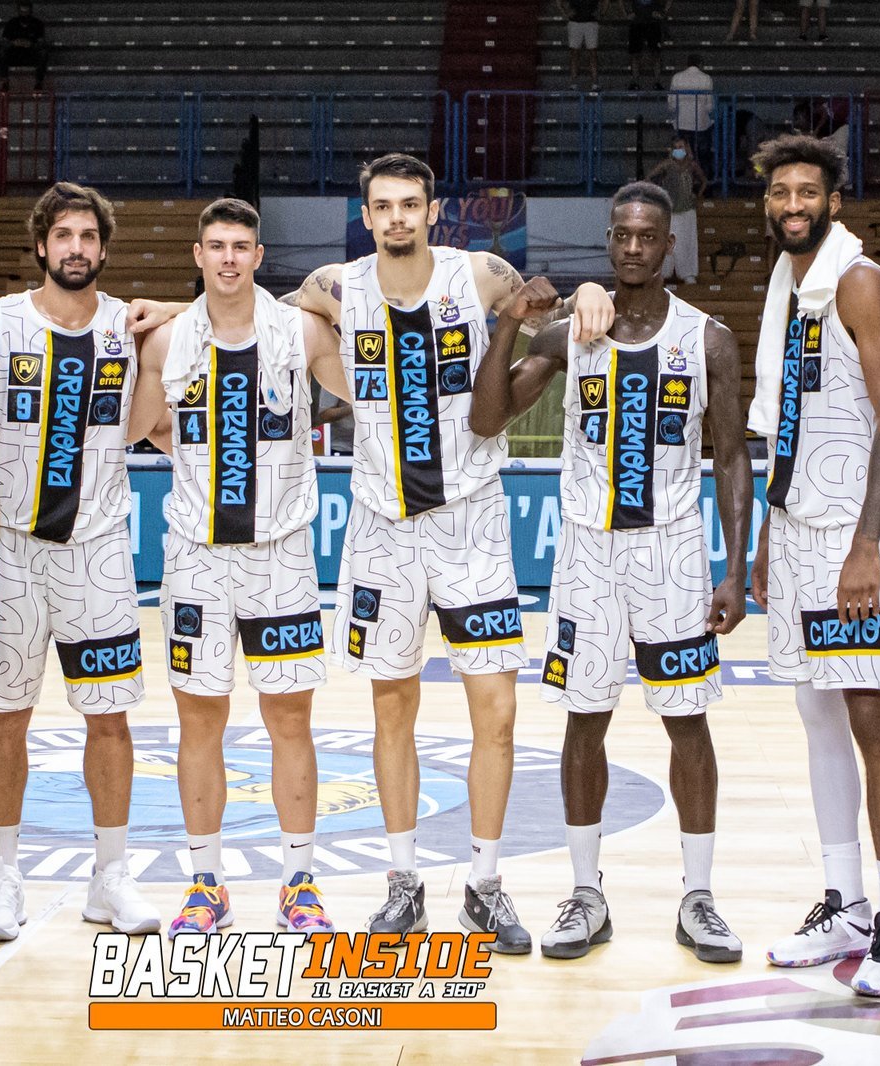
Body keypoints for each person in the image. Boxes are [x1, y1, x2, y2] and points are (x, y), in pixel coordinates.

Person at [289, 153, 615, 953]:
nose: (397, 217)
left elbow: (551, 311)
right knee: (390, 711)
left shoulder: (478, 275)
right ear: (365, 216)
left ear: (432, 212)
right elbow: (262, 317)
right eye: (383, 206)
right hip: (381, 527)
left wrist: (591, 290)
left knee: (496, 714)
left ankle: (484, 885)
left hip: (470, 521)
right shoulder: (335, 287)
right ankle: (402, 883)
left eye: (410, 204)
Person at [470, 182, 751, 966]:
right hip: (587, 555)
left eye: (646, 236)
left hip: (672, 553)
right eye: (621, 235)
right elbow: (486, 418)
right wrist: (510, 324)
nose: (632, 247)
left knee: (686, 720)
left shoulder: (707, 340)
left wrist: (735, 568)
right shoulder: (572, 335)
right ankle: (584, 893)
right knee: (582, 720)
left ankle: (698, 897)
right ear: (608, 240)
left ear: (667, 245)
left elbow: (732, 457)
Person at [128, 198, 351, 937]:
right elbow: (137, 427)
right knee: (199, 722)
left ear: (259, 256)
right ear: (197, 256)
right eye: (216, 245)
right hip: (195, 558)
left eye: (240, 246)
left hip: (281, 557)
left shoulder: (300, 331)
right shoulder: (167, 341)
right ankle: (206, 884)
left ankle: (298, 883)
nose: (227, 257)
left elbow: (367, 386)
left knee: (290, 721)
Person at [0, 182, 161, 943]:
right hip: (11, 552)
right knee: (6, 718)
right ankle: (2, 875)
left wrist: (170, 310)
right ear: (41, 245)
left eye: (88, 237)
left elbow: (217, 312)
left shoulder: (131, 325)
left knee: (110, 718)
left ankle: (111, 874)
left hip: (98, 550)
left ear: (103, 249)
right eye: (63, 235)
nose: (76, 248)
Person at [747, 134, 880, 998]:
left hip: (852, 535)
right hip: (796, 525)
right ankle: (845, 903)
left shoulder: (857, 281)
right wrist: (765, 536)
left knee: (870, 718)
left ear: (833, 202)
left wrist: (865, 545)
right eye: (780, 191)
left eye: (806, 192)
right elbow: (790, 420)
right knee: (817, 715)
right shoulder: (787, 284)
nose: (792, 204)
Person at [646, 137, 708, 285]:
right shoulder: (666, 165)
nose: (679, 150)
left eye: (681, 147)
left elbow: (704, 181)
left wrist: (697, 195)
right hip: (670, 210)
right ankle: (664, 273)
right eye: (676, 147)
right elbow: (648, 178)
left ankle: (688, 273)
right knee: (667, 241)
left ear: (686, 148)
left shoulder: (692, 165)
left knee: (687, 242)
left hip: (687, 210)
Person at [668, 54, 714, 176]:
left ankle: (680, 178)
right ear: (700, 64)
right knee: (702, 155)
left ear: (687, 64)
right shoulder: (706, 78)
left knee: (680, 154)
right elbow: (709, 106)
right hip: (700, 124)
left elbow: (671, 104)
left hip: (681, 122)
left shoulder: (677, 77)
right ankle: (704, 180)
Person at [0, 1, 48, 91]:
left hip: (31, 54)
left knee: (43, 53)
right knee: (2, 53)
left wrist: (31, 44)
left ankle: (38, 83)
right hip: (15, 54)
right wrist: (14, 43)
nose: (24, 14)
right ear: (18, 12)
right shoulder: (11, 23)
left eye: (26, 12)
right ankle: (5, 83)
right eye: (22, 12)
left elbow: (42, 43)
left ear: (30, 11)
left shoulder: (38, 24)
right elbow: (4, 42)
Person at [559, 0, 602, 90]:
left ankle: (595, 82)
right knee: (574, 53)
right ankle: (573, 82)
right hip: (575, 22)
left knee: (593, 53)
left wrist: (602, 12)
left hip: (591, 22)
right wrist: (565, 13)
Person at [627, 0, 668, 91]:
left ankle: (657, 82)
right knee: (635, 54)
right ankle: (635, 82)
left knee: (656, 54)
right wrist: (625, 13)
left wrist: (663, 11)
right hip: (637, 21)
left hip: (653, 22)